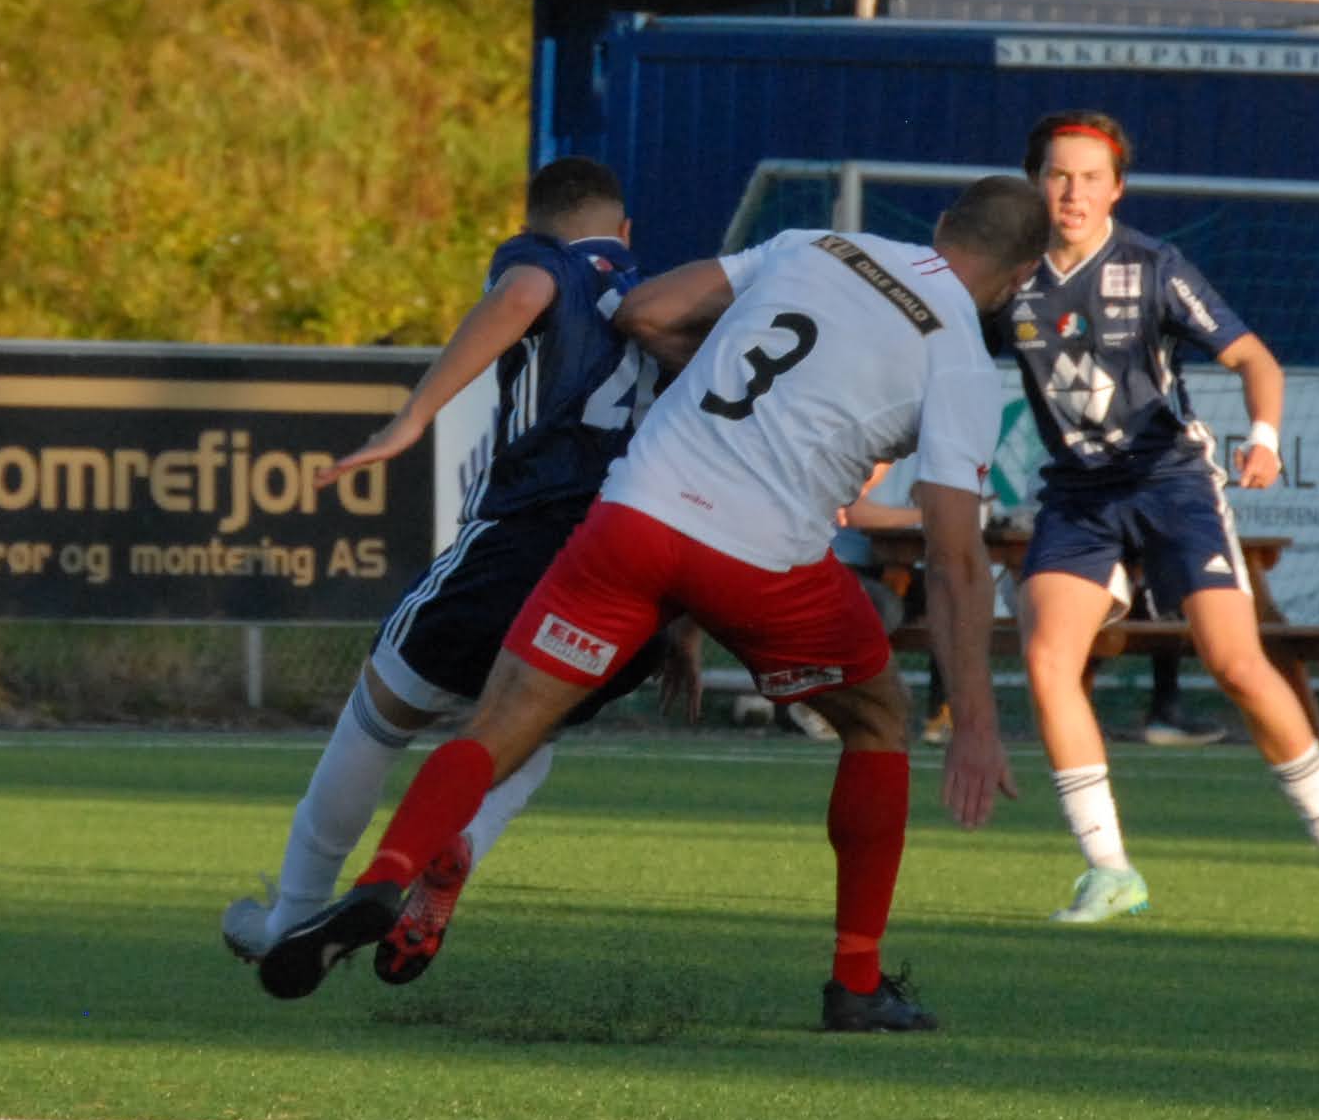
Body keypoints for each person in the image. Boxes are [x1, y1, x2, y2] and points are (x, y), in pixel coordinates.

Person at [252, 177, 1046, 1034]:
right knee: (878, 718)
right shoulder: (961, 359)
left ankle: (383, 878)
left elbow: (646, 312)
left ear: (941, 224)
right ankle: (856, 982)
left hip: (635, 515)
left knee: (499, 722)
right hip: (761, 560)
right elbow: (956, 559)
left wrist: (718, 379)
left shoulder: (817, 245)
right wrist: (975, 721)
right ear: (1021, 277)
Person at [224, 157, 682, 994]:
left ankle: (292, 914)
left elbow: (523, 295)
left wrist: (411, 419)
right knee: (524, 729)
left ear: (537, 224)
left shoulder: (544, 259)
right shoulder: (668, 302)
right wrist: (681, 622)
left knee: (378, 717)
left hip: (522, 538)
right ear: (626, 233)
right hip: (630, 564)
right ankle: (460, 841)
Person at [1008, 111, 1319, 925]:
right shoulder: (1007, 279)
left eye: (1091, 178)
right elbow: (925, 365)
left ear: (1117, 189)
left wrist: (1265, 438)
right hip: (1078, 497)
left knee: (1235, 663)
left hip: (1172, 484)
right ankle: (1109, 870)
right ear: (1034, 184)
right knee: (1047, 661)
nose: (1073, 192)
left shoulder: (1154, 267)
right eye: (1059, 175)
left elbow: (1255, 358)